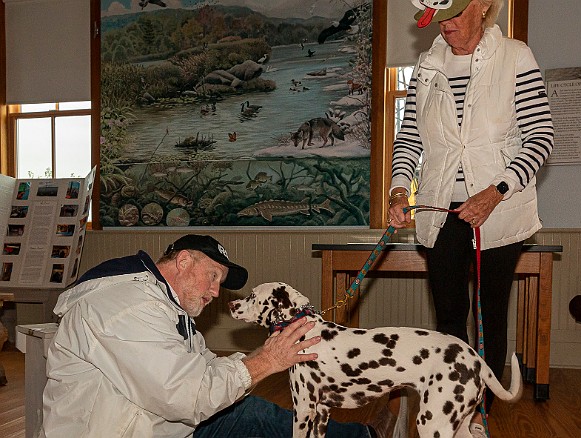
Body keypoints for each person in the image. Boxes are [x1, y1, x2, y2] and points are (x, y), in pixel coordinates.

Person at [388, 1, 554, 436]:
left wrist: (496, 190)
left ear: (481, 7)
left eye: (456, 16)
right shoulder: (427, 65)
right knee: (448, 316)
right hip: (442, 210)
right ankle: (452, 414)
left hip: (497, 210)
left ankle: (479, 415)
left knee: (489, 315)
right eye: (440, 19)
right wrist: (399, 189)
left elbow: (540, 139)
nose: (446, 26)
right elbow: (409, 137)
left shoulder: (515, 56)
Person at [41, 234, 393, 437]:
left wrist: (261, 358)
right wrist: (265, 360)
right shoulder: (127, 307)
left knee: (251, 412)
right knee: (248, 416)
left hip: (161, 425)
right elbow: (186, 395)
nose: (215, 293)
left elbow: (203, 370)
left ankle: (361, 436)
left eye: (219, 284)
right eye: (212, 277)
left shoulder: (162, 303)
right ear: (183, 262)